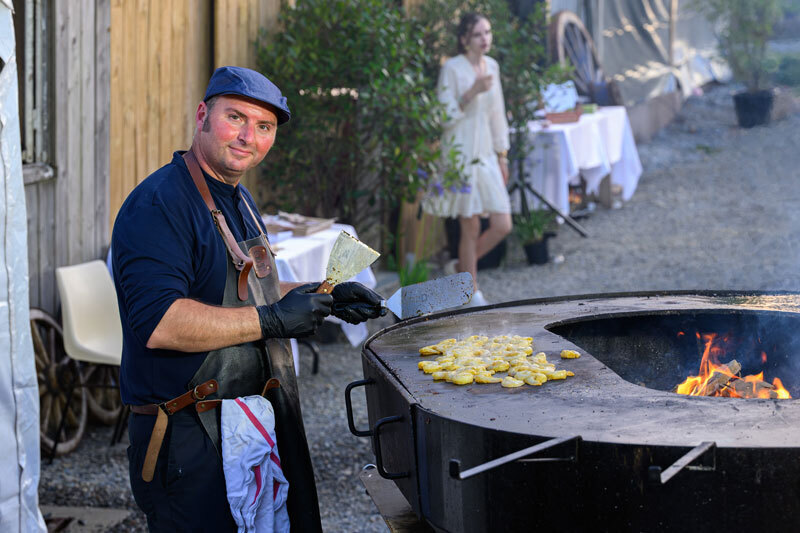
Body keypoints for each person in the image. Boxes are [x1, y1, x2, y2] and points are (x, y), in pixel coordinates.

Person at [111, 66, 384, 532]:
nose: (247, 137)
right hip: (187, 438)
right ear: (202, 115)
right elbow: (161, 323)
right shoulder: (160, 205)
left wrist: (324, 295)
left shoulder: (238, 198)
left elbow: (252, 294)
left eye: (263, 127)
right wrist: (273, 321)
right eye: (234, 117)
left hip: (240, 426)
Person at [422, 12, 512, 306]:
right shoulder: (452, 69)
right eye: (478, 34)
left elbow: (497, 114)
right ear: (464, 39)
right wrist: (472, 91)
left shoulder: (493, 67)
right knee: (470, 225)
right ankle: (470, 290)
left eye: (488, 32)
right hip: (459, 153)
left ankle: (460, 267)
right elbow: (442, 116)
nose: (485, 38)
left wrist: (503, 156)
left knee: (502, 223)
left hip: (485, 152)